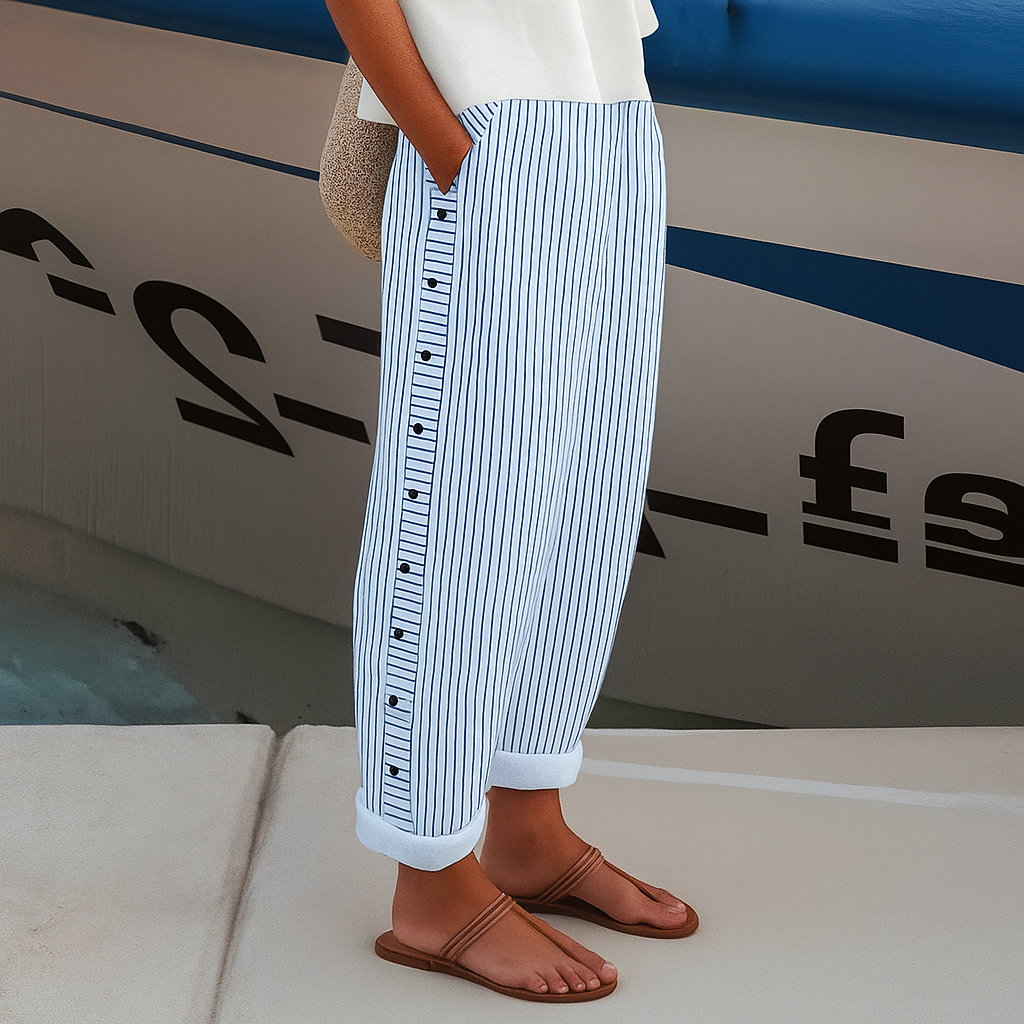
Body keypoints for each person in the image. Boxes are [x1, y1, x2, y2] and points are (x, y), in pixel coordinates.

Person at [324, 0, 698, 1003]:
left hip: (609, 109)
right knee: (464, 506)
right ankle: (432, 879)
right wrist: (447, 144)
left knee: (583, 494)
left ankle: (528, 827)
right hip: (480, 116)